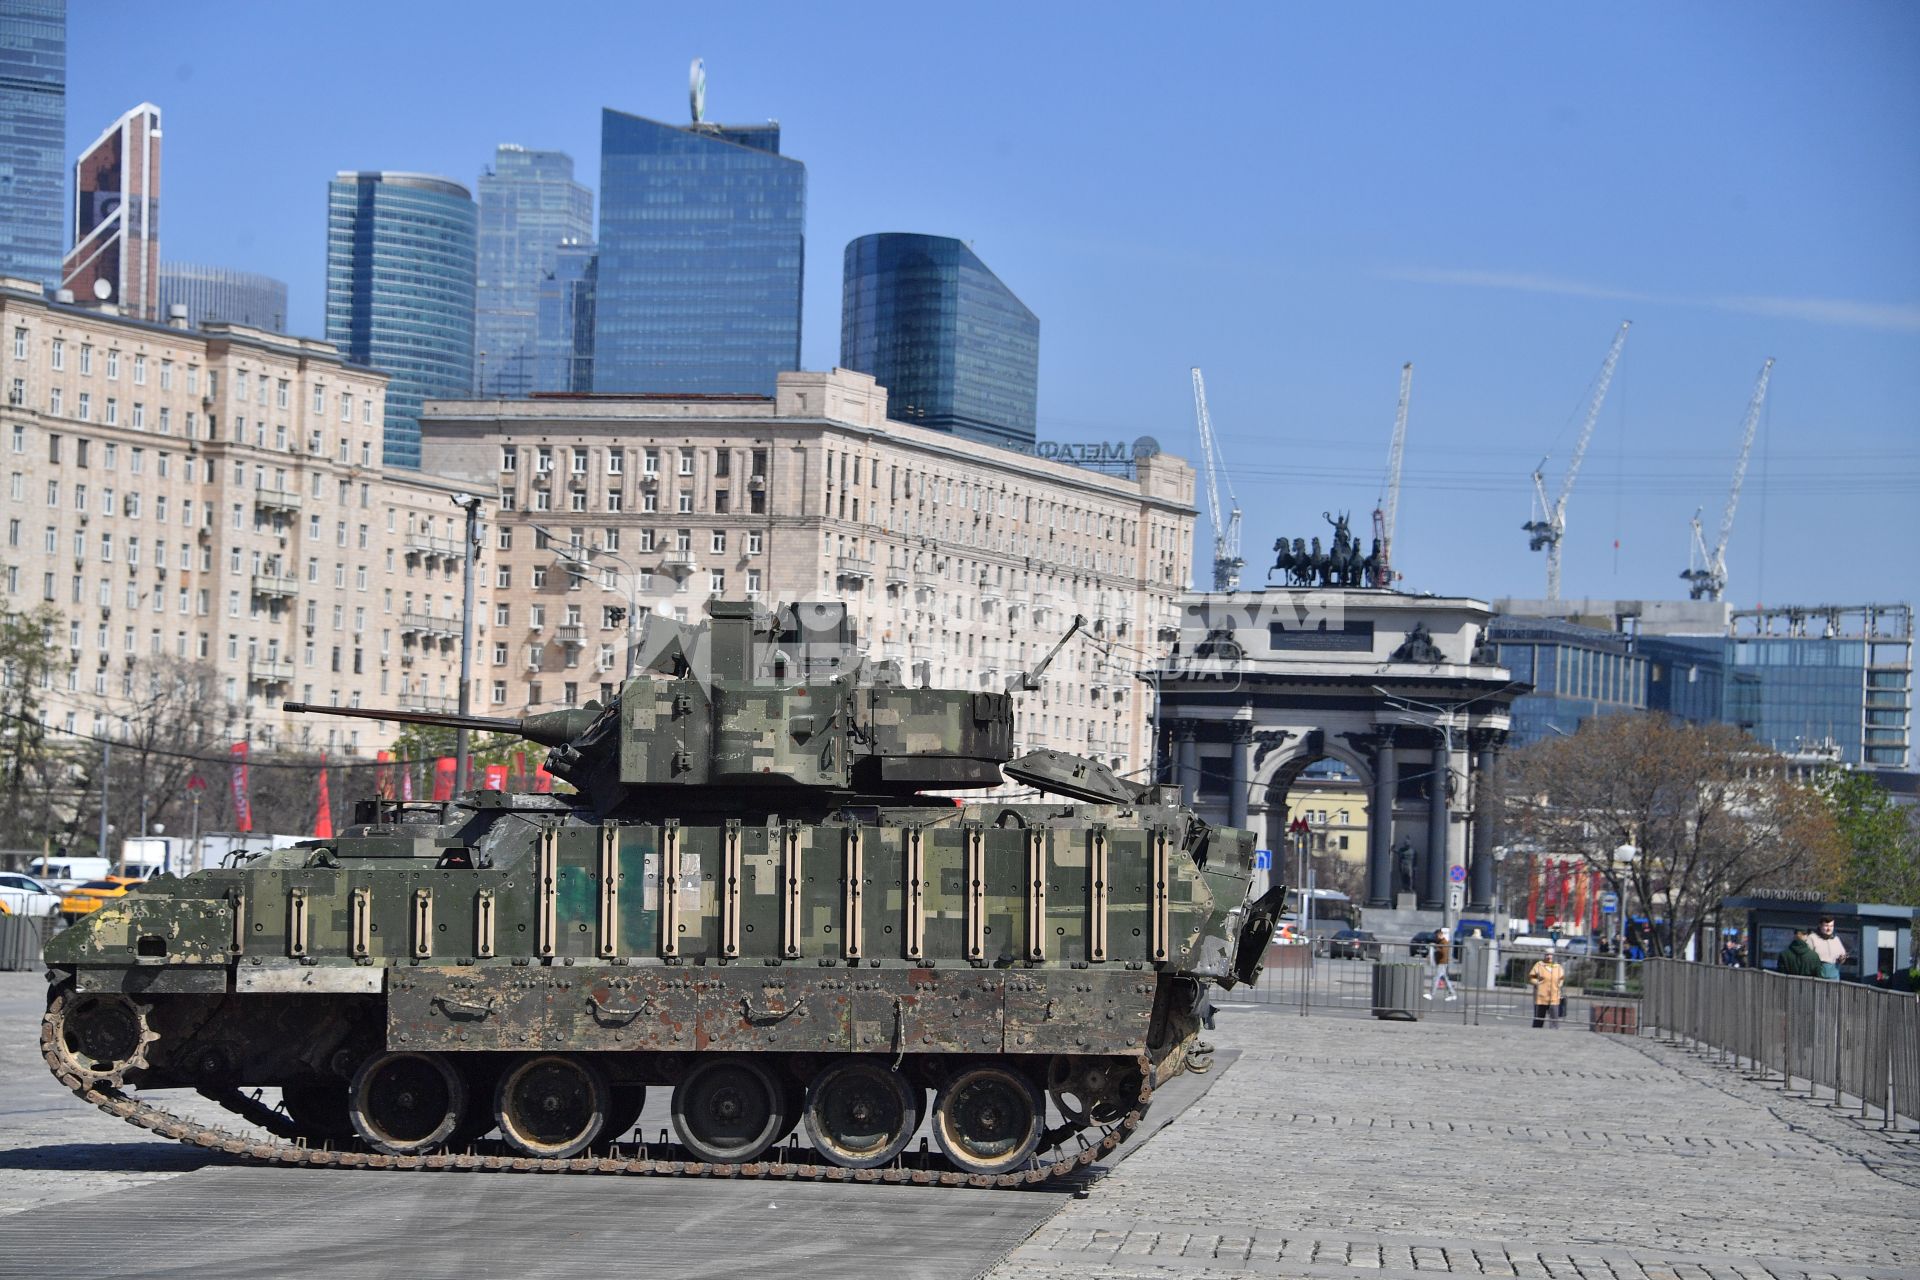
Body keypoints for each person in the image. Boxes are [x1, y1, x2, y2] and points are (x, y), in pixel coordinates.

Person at [1527, 947, 1566, 1029]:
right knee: (1539, 1018)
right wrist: (1537, 983)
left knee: (1554, 1018)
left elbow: (1562, 978)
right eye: (1547, 954)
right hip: (1541, 996)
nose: (1549, 956)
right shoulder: (1539, 965)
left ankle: (1553, 1033)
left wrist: (1560, 984)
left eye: (1551, 954)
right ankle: (1536, 1032)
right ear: (1544, 955)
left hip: (1554, 996)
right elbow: (1531, 977)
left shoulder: (1558, 966)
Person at [1422, 925, 1457, 1002]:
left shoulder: (1444, 942)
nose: (1436, 937)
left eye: (1437, 935)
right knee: (1445, 978)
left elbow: (1443, 952)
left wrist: (1436, 948)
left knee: (1436, 978)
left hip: (1442, 962)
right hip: (1441, 962)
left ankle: (1431, 994)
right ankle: (1453, 994)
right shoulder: (1441, 942)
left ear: (1441, 935)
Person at [1808, 915, 1848, 981]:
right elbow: (1807, 958)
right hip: (1817, 977)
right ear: (1820, 926)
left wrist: (1842, 959)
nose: (1829, 929)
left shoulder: (1836, 939)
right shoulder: (1812, 938)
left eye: (1831, 926)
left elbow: (1842, 956)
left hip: (1834, 977)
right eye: (1826, 926)